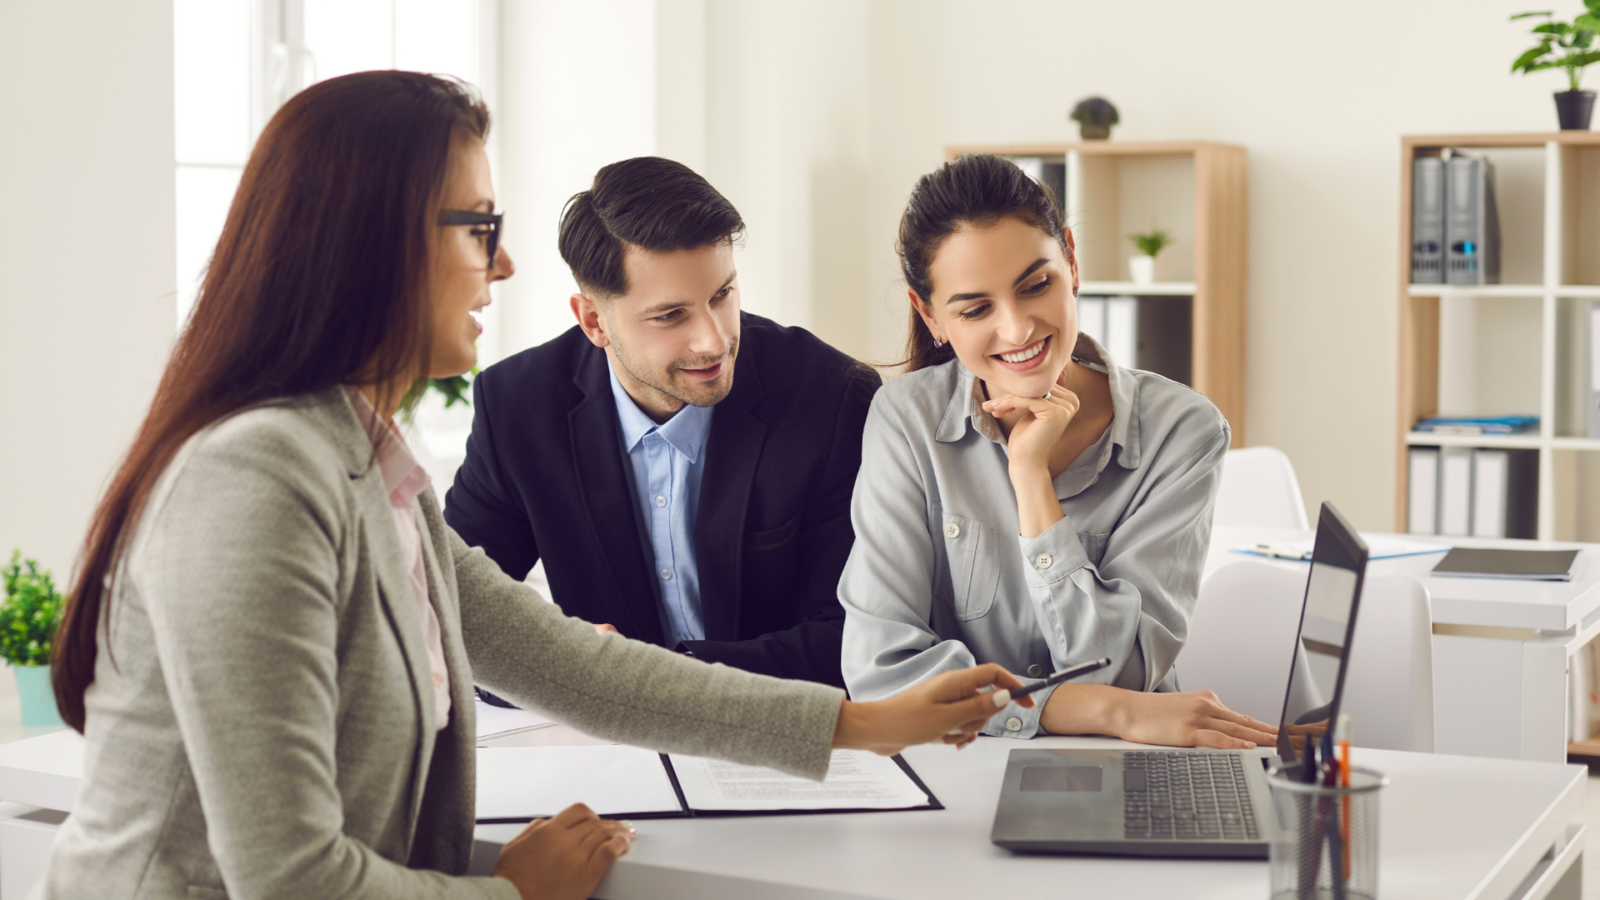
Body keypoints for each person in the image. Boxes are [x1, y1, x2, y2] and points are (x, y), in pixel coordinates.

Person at [39, 74, 1029, 900]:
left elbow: (566, 665)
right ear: (370, 245)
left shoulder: (362, 456)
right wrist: (508, 894)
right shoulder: (253, 477)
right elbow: (292, 878)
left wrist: (862, 721)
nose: (502, 265)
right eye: (477, 228)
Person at [839, 153, 1277, 749]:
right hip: (960, 770)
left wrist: (1030, 480)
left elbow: (1122, 672)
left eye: (1036, 285)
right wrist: (1105, 710)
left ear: (1070, 259)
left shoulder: (1183, 430)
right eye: (975, 309)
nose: (1018, 330)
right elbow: (882, 676)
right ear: (930, 315)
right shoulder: (905, 420)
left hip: (1127, 764)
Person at [444, 156, 876, 688]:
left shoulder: (830, 395)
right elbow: (447, 617)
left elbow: (857, 636)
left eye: (722, 295)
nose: (714, 340)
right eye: (671, 316)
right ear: (594, 321)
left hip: (786, 736)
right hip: (607, 749)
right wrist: (559, 661)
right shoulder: (518, 408)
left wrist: (653, 678)